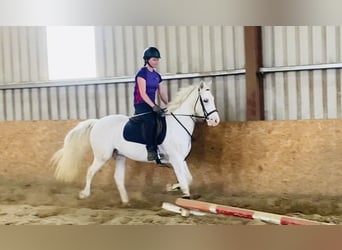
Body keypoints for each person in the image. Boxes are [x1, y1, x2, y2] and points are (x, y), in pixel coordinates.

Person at [133, 47, 168, 161]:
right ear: (147, 60)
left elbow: (162, 92)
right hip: (141, 104)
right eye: (154, 59)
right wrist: (154, 106)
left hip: (152, 104)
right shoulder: (142, 73)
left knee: (162, 119)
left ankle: (159, 147)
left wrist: (169, 104)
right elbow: (143, 93)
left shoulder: (157, 76)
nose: (156, 62)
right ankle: (150, 150)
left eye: (157, 59)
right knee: (151, 121)